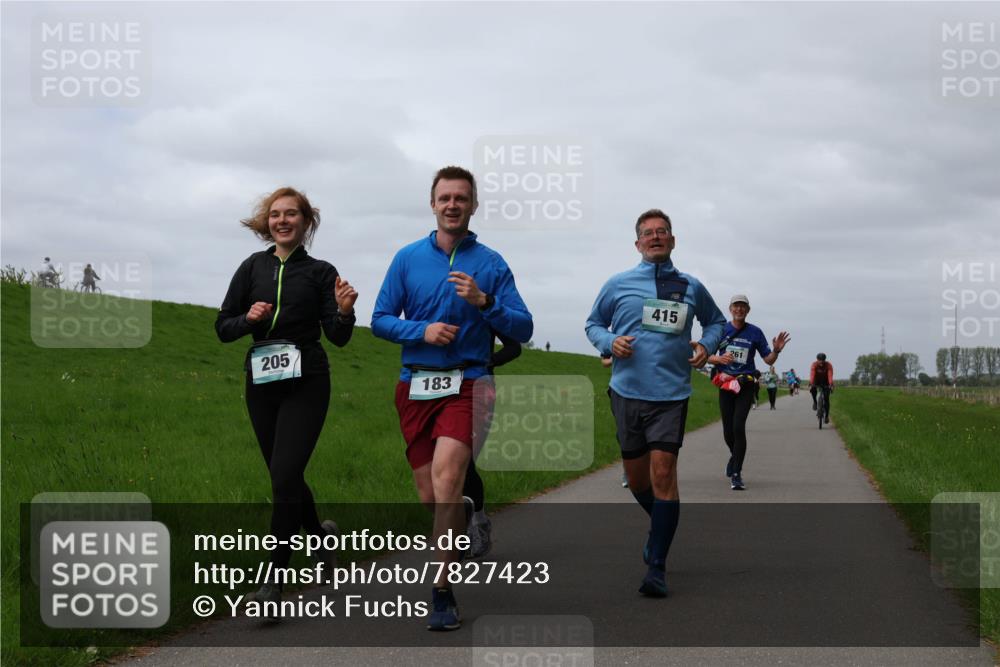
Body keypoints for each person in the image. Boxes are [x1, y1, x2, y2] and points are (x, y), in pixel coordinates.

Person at [372, 166, 532, 630]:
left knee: (447, 478)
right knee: (431, 495)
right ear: (433, 204)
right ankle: (462, 520)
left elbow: (523, 327)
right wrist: (420, 331)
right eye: (445, 197)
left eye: (461, 198)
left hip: (469, 382)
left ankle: (441, 591)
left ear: (473, 206)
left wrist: (486, 302)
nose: (452, 205)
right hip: (415, 385)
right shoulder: (407, 259)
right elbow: (380, 319)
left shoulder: (492, 263)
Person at [215, 187, 357, 611]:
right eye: (275, 214)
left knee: (283, 476)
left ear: (305, 221)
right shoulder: (251, 267)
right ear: (267, 222)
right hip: (261, 383)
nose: (282, 220)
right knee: (286, 478)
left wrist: (345, 311)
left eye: (291, 214)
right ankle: (321, 541)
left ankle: (272, 582)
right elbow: (223, 327)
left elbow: (338, 337)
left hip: (306, 382)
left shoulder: (321, 272)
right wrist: (248, 319)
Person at [586, 209, 726, 598]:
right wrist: (609, 342)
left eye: (662, 231)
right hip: (627, 392)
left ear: (672, 240)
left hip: (671, 395)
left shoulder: (691, 286)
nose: (655, 237)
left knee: (663, 475)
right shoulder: (618, 284)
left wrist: (706, 345)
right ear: (638, 244)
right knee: (638, 480)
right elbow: (593, 324)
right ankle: (661, 528)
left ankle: (657, 566)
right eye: (648, 233)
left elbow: (716, 322)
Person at [706, 295, 789, 491]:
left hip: (746, 384)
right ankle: (735, 457)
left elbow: (768, 360)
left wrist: (776, 351)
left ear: (748, 310)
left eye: (743, 306)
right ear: (730, 309)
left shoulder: (755, 332)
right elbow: (706, 355)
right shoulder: (721, 330)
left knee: (738, 427)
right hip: (726, 384)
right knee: (728, 431)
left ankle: (736, 473)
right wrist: (719, 360)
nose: (739, 309)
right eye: (736, 306)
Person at [461, 329, 522, 559]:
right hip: (439, 388)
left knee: (464, 461)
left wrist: (488, 361)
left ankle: (477, 523)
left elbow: (513, 347)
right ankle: (460, 527)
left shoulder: (484, 311)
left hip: (479, 386)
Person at [810, 353, 834, 423]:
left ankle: (826, 416)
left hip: (826, 381)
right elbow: (812, 374)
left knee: (826, 399)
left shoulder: (828, 365)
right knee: (812, 389)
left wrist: (830, 384)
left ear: (825, 360)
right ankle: (815, 402)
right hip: (816, 381)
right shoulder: (814, 365)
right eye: (819, 360)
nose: (821, 362)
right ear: (817, 360)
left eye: (822, 360)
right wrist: (811, 382)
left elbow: (830, 375)